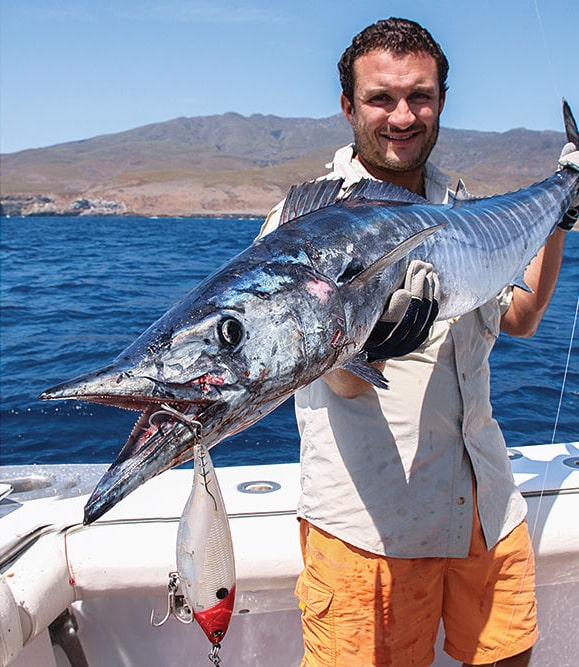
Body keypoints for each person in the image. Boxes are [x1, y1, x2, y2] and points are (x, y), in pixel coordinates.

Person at [259, 17, 578, 667]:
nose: (402, 115)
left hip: (486, 509)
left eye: (420, 96)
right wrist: (365, 343)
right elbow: (326, 375)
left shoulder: (455, 208)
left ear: (440, 101)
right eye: (380, 98)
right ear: (348, 107)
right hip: (369, 533)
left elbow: (518, 319)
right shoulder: (305, 226)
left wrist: (558, 217)